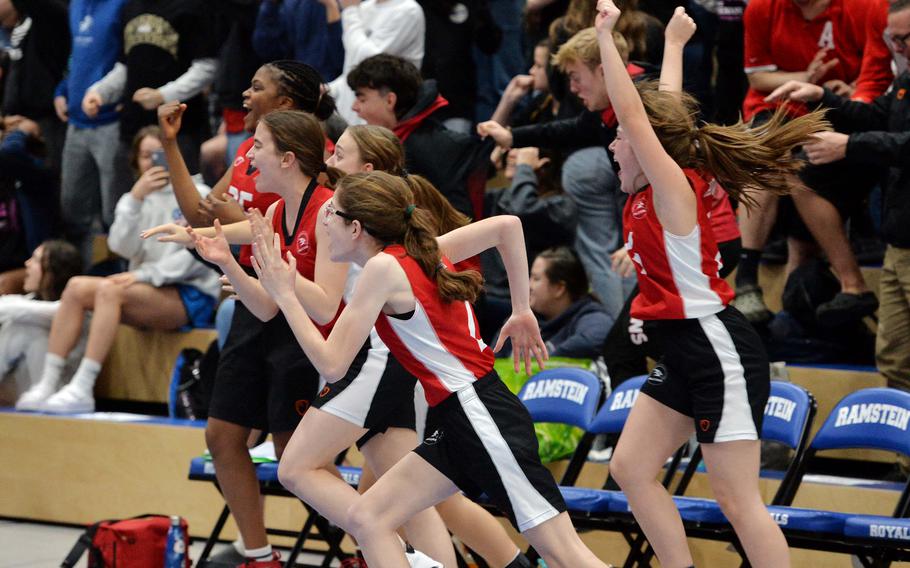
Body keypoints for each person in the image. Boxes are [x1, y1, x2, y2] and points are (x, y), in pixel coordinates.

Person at [250, 169, 610, 567]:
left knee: (565, 553)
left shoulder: (383, 269)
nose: (322, 221)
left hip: (481, 415)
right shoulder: (415, 255)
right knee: (368, 518)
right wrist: (521, 308)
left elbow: (333, 365)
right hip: (460, 418)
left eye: (331, 213)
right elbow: (507, 227)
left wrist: (285, 294)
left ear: (356, 228)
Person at [593, 1, 828, 566]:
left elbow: (638, 115)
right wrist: (672, 47)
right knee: (629, 468)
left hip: (715, 347)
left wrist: (605, 37)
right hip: (681, 347)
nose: (613, 145)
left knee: (737, 499)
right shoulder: (651, 187)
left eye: (622, 139)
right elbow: (662, 113)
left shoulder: (675, 188)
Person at [154, 62, 343, 568]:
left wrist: (235, 233)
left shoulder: (315, 174)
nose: (245, 91)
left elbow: (252, 229)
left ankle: (363, 546)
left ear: (285, 105)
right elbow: (206, 215)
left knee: (294, 456)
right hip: (255, 300)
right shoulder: (252, 149)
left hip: (301, 318)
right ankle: (259, 554)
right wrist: (171, 146)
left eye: (258, 86)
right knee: (222, 434)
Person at [16, 126, 220, 413]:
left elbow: (192, 256)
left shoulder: (197, 194)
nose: (153, 162)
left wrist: (142, 276)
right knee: (75, 287)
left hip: (189, 293)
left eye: (160, 155)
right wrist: (134, 200)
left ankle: (83, 387)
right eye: (146, 156)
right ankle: (50, 383)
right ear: (136, 161)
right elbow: (121, 246)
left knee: (110, 289)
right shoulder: (136, 198)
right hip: (142, 289)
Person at [764, 0, 910, 393]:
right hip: (899, 243)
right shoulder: (906, 80)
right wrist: (821, 95)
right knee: (894, 360)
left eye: (906, 38)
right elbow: (877, 116)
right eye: (893, 40)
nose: (899, 48)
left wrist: (850, 145)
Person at [733, 0, 892, 325]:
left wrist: (850, 93)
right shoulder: (762, 8)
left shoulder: (864, 7)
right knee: (763, 154)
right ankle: (746, 279)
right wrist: (806, 77)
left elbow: (878, 72)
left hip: (841, 106)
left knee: (805, 173)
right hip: (781, 105)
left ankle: (825, 288)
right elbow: (758, 79)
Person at [347, 53, 495, 219]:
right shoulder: (405, 141)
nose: (354, 107)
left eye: (362, 99)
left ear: (390, 100)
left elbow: (458, 218)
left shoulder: (439, 147)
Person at [54, 0, 129, 267]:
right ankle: (80, 278)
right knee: (73, 209)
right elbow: (77, 56)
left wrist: (111, 92)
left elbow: (130, 59)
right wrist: (62, 90)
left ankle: (119, 278)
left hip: (109, 120)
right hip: (75, 122)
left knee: (114, 212)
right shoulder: (76, 5)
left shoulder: (122, 4)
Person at [0, 241, 81, 398]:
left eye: (35, 260)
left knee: (26, 329)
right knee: (14, 324)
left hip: (61, 389)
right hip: (23, 388)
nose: (27, 264)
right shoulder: (30, 301)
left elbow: (16, 309)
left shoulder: (73, 309)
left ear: (52, 272)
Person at [327, 0, 425, 125]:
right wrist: (327, 89)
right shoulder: (364, 7)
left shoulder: (408, 10)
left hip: (385, 120)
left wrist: (350, 11)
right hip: (350, 115)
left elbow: (369, 62)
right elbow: (351, 70)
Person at [527, 246, 611, 358]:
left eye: (536, 279)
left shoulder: (592, 317)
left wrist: (544, 363)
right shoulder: (522, 318)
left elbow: (594, 339)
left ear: (559, 288)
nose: (528, 286)